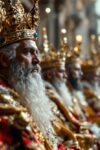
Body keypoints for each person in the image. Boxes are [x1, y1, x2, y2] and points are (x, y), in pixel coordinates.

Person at [0, 1, 67, 149]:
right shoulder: (3, 101)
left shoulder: (26, 95)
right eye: (28, 52)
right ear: (5, 60)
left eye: (37, 52)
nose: (37, 60)